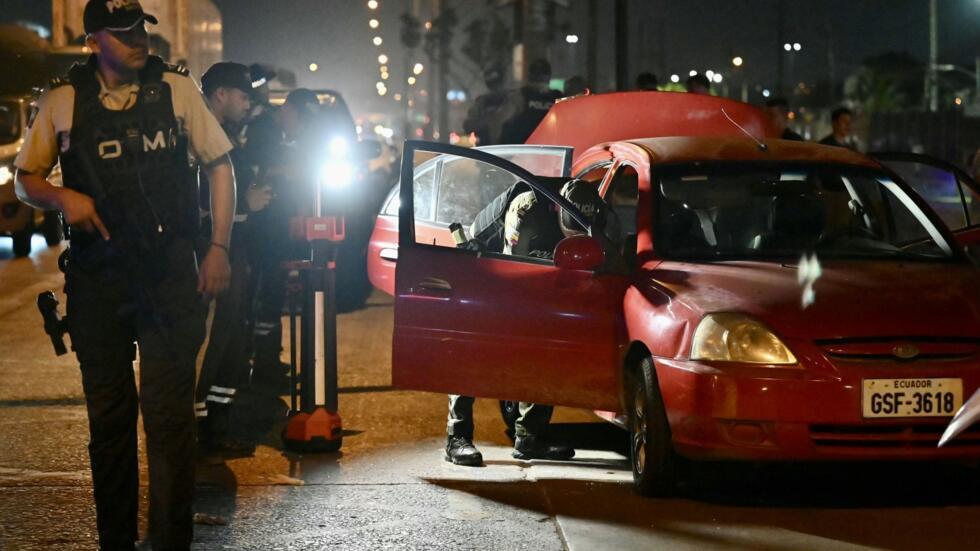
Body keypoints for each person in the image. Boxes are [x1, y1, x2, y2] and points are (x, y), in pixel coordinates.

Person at [13, 1, 235, 549]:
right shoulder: (63, 101)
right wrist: (64, 196)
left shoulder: (178, 91)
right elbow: (24, 179)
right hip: (99, 281)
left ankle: (169, 541)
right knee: (110, 426)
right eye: (122, 32)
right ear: (94, 41)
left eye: (140, 28)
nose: (137, 39)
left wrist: (218, 248)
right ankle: (115, 540)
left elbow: (220, 165)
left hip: (167, 276)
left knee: (168, 421)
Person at [446, 180, 605, 466]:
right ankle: (457, 437)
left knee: (546, 346)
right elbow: (513, 266)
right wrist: (555, 259)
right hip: (487, 259)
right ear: (557, 209)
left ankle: (530, 437)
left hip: (539, 265)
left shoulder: (597, 210)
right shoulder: (526, 208)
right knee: (472, 346)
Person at [196, 62, 272, 454]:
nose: (248, 105)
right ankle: (199, 430)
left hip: (232, 259)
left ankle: (215, 427)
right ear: (221, 93)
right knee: (207, 345)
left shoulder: (224, 135)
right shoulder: (198, 137)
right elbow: (197, 202)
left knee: (227, 344)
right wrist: (247, 202)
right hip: (209, 260)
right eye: (243, 96)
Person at [498, 59, 563, 144]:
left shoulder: (557, 96)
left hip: (539, 148)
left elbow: (500, 122)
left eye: (541, 75)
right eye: (537, 75)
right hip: (529, 148)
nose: (540, 78)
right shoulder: (520, 96)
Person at [462, 64, 512, 146]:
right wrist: (488, 120)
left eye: (498, 82)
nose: (496, 87)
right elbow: (468, 125)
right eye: (492, 84)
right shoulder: (482, 102)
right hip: (488, 150)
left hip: (512, 148)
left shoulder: (515, 99)